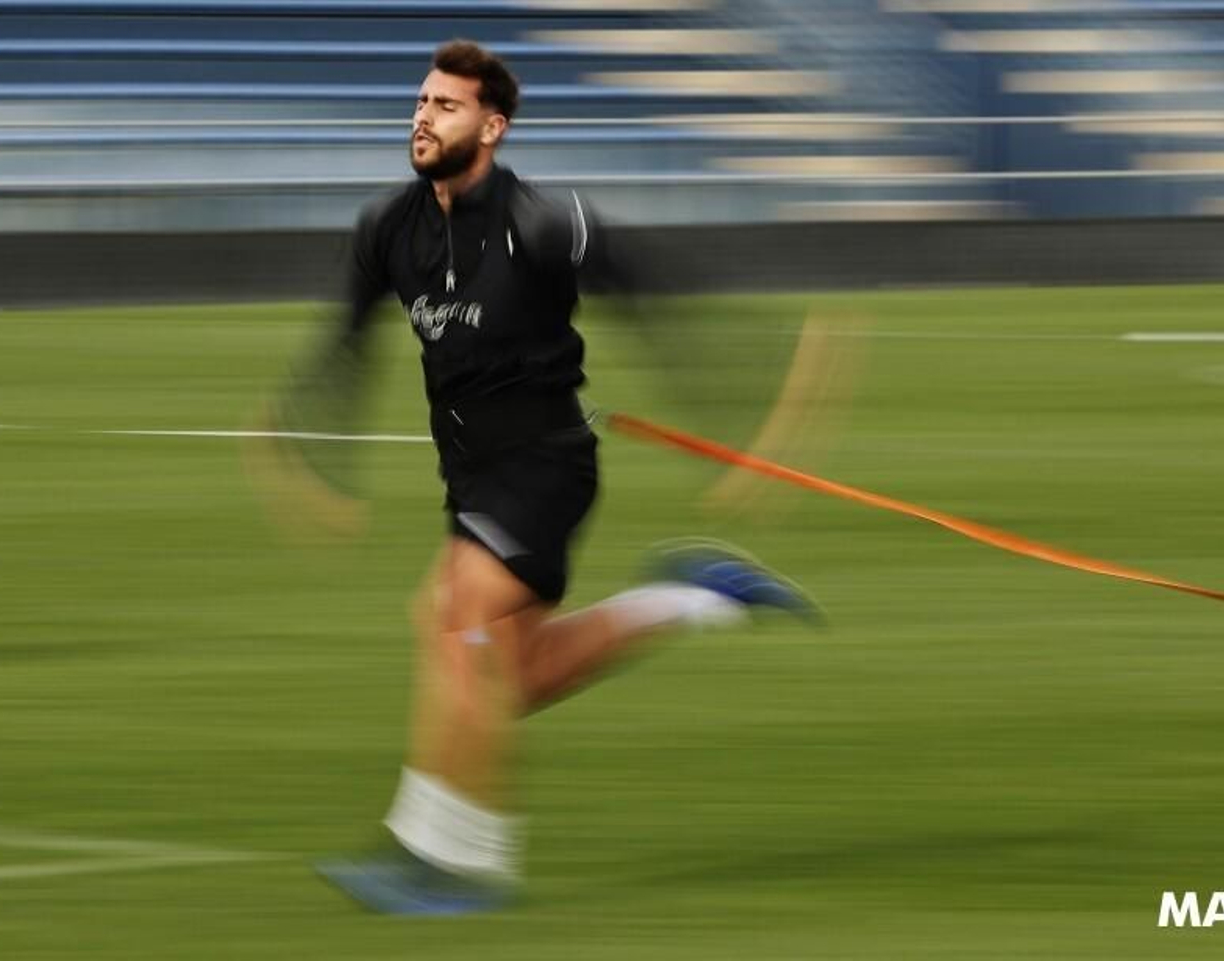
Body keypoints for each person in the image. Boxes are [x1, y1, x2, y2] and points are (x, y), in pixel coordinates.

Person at [273, 40, 817, 914]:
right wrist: (314, 453)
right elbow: (344, 346)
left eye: (445, 106)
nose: (422, 117)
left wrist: (743, 413)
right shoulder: (388, 228)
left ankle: (452, 861)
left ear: (492, 128)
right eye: (421, 101)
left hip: (546, 468)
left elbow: (660, 306)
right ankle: (692, 597)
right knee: (514, 675)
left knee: (451, 620)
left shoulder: (543, 221)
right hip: (471, 479)